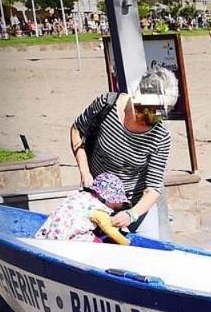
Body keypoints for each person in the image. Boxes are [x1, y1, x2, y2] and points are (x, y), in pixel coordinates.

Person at [69, 68, 176, 239]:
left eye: (156, 116)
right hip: (96, 201)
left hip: (135, 208)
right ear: (137, 96)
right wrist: (84, 171)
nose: (147, 121)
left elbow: (154, 188)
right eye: (144, 111)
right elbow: (77, 130)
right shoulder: (107, 104)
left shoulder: (161, 136)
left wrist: (131, 215)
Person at [34, 172, 129, 242]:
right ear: (107, 198)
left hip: (51, 232)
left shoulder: (79, 195)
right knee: (98, 242)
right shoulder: (99, 209)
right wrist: (126, 243)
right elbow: (110, 231)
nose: (116, 208)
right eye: (116, 206)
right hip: (69, 239)